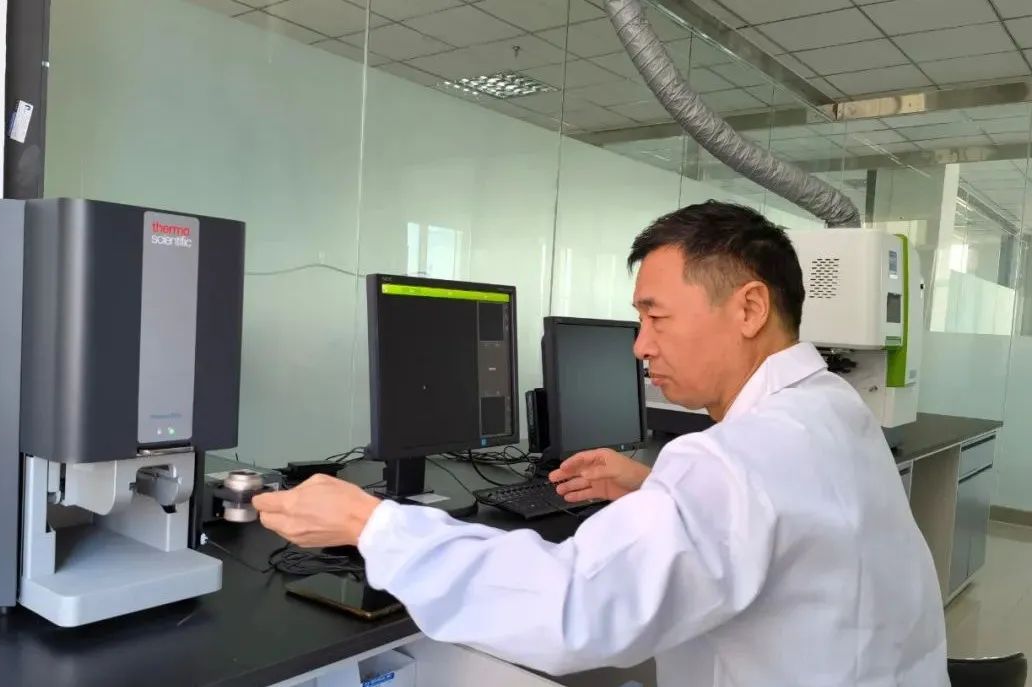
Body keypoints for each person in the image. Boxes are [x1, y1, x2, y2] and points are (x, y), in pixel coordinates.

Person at [253, 201, 948, 686]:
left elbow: (574, 608)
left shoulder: (735, 460)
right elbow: (789, 516)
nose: (641, 346)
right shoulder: (832, 407)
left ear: (749, 307)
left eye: (656, 317)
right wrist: (657, 487)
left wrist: (369, 523)